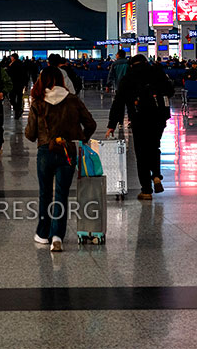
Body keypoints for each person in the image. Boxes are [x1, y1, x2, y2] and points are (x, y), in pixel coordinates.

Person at [25, 66, 97, 252]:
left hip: (45, 151)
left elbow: (30, 134)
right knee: (61, 194)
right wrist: (81, 139)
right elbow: (91, 124)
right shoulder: (73, 99)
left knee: (45, 193)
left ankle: (43, 234)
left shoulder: (38, 102)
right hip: (68, 151)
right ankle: (57, 236)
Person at [107, 54, 174, 200]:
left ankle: (146, 190)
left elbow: (119, 102)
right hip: (158, 117)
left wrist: (112, 124)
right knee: (154, 147)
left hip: (139, 118)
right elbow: (170, 91)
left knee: (141, 154)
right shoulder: (157, 72)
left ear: (131, 65)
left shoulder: (128, 77)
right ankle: (156, 175)